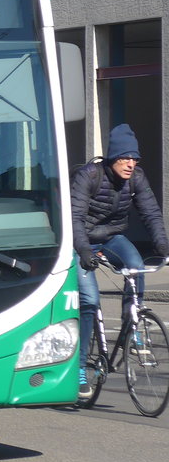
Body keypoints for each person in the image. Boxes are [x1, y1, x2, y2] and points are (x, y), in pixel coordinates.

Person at [71, 123, 169, 399]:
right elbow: (75, 218)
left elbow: (151, 213)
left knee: (136, 267)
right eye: (125, 158)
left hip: (112, 237)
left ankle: (132, 326)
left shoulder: (136, 178)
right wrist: (84, 251)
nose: (130, 164)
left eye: (134, 159)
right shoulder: (89, 176)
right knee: (89, 300)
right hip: (81, 241)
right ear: (113, 157)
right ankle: (80, 370)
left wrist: (162, 245)